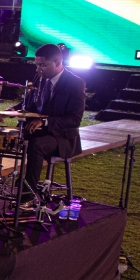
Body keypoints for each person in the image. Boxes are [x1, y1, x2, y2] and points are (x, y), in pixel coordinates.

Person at [22, 43, 85, 196]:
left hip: (62, 137)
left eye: (42, 65)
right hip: (38, 131)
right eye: (37, 65)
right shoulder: (40, 79)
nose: (38, 69)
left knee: (36, 145)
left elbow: (75, 119)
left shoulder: (76, 83)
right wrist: (11, 111)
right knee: (0, 136)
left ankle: (27, 194)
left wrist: (45, 121)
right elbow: (30, 105)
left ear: (57, 62)